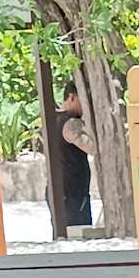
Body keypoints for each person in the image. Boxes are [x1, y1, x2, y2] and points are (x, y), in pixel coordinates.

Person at [57, 80, 93, 229]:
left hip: (64, 191)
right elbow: (92, 148)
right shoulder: (71, 123)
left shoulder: (53, 119)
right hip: (72, 194)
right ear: (72, 97)